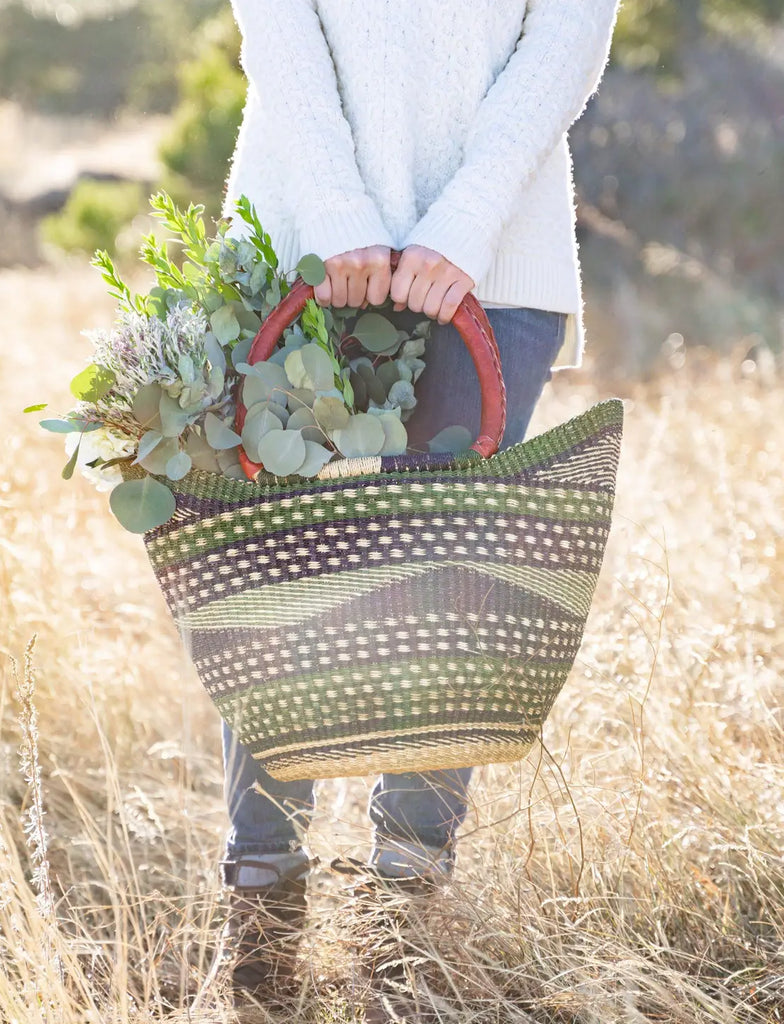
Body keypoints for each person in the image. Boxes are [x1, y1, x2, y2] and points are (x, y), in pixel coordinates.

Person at [215, 0, 621, 1010]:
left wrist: (459, 231)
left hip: (496, 258)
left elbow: (561, 46)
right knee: (275, 575)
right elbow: (280, 33)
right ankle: (262, 911)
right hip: (298, 239)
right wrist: (340, 214)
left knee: (445, 586)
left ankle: (406, 921)